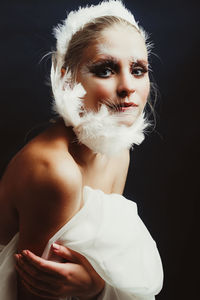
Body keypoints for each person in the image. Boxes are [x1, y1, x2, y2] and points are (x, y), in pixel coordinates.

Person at [0, 1, 163, 299]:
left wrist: (95, 283)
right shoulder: (55, 173)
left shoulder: (117, 152)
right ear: (67, 78)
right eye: (105, 69)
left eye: (138, 70)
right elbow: (30, 294)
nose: (128, 85)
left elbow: (107, 253)